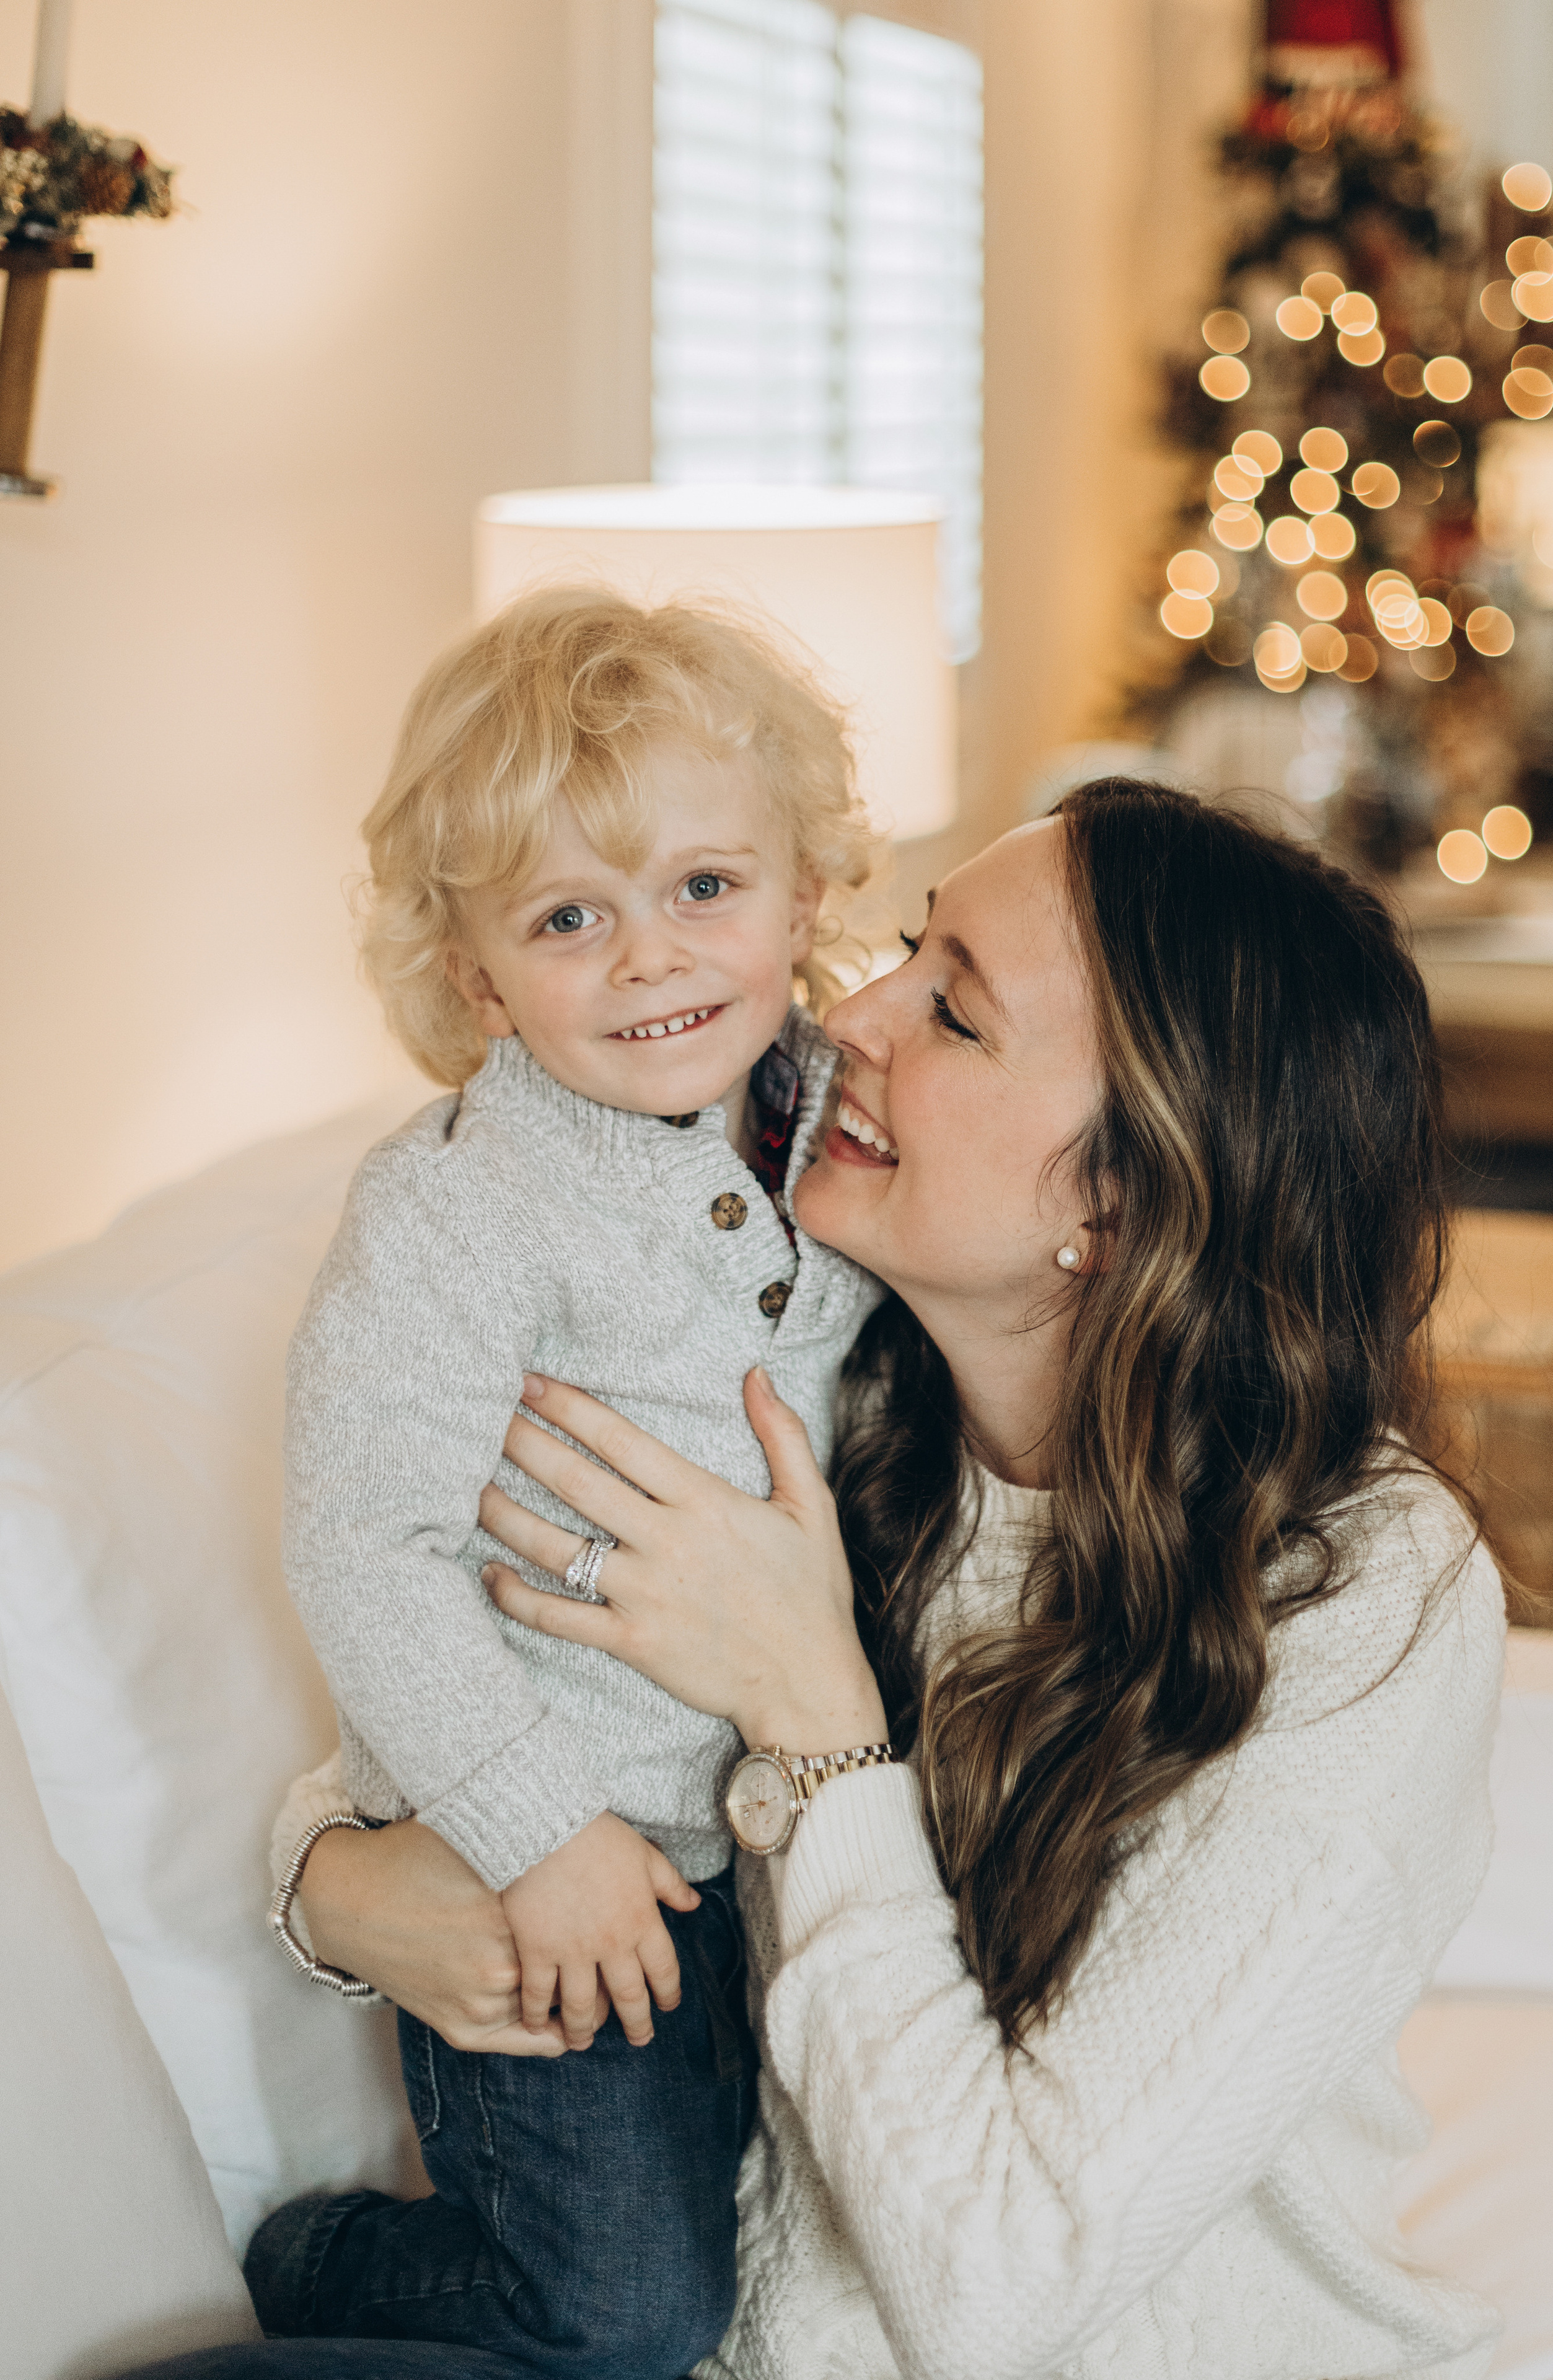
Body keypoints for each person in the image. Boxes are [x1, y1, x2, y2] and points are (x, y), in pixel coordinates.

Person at [128, 782, 1505, 2380]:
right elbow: (501, 1667)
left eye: (956, 1014)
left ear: (1126, 1196)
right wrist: (333, 1883)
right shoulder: (831, 1383)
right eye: (908, 948)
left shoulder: (1367, 1601)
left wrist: (814, 1710)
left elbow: (998, 2293)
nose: (850, 1014)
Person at [253, 588, 884, 2378]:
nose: (650, 960)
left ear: (805, 893)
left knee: (788, 2255)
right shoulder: (457, 1207)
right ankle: (321, 2263)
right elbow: (364, 1544)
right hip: (555, 1858)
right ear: (475, 979)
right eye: (566, 918)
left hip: (789, 1837)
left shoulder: (847, 1118)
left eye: (706, 886)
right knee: (627, 2316)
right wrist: (540, 1834)